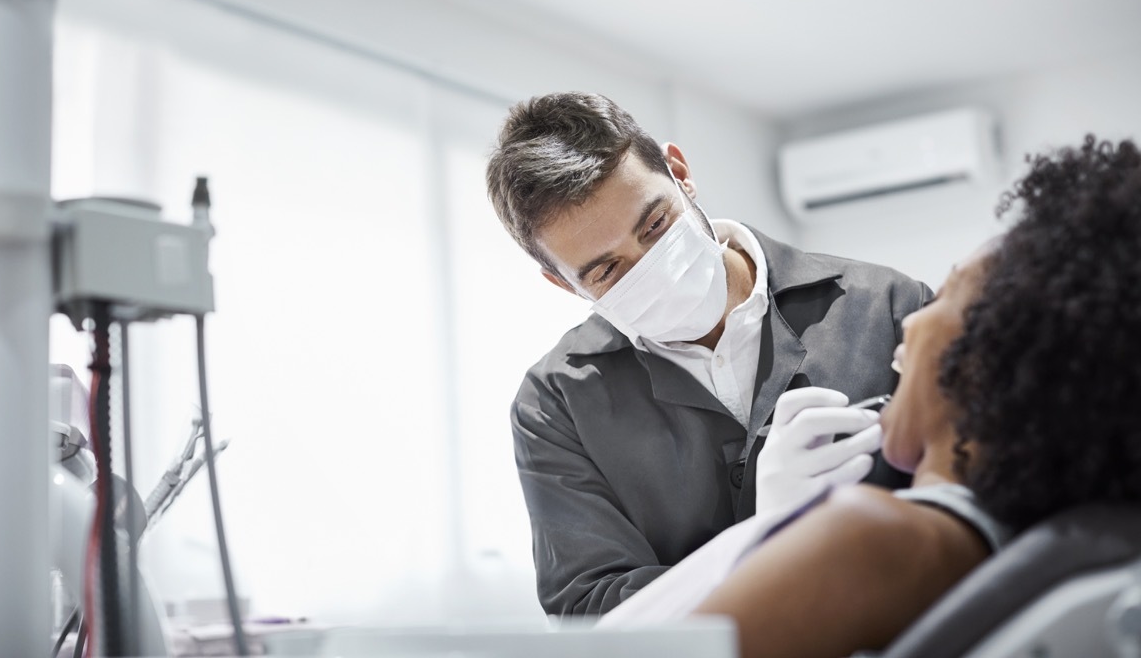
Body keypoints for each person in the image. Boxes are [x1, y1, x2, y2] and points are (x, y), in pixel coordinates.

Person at [600, 134, 1141, 658]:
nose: (912, 321)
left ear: (994, 358)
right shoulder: (1020, 541)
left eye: (948, 295)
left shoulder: (871, 538)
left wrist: (772, 533)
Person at [485, 91, 931, 615]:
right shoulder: (557, 403)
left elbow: (978, 487)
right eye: (607, 271)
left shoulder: (889, 306)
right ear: (562, 284)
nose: (653, 267)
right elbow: (592, 612)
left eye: (654, 225)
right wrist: (760, 544)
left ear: (679, 171)